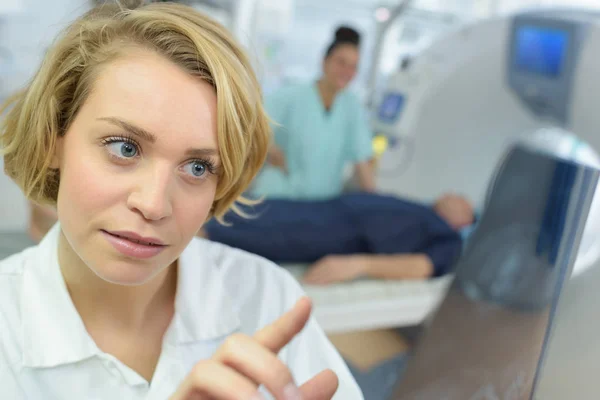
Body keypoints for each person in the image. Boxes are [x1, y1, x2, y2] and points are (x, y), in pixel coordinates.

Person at [0, 3, 363, 399]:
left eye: (197, 168)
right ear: (55, 139)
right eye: (124, 147)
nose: (154, 204)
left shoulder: (266, 297)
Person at [201, 193, 475, 285]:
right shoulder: (425, 211)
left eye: (460, 198)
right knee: (256, 207)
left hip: (340, 232)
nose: (451, 193)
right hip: (331, 209)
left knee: (255, 229)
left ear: (465, 219)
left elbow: (422, 267)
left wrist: (357, 265)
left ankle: (191, 236)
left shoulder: (450, 239)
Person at [252, 26, 376, 200]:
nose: (347, 72)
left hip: (323, 203)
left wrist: (376, 204)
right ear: (325, 61)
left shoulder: (352, 107)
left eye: (353, 67)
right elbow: (251, 126)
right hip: (279, 196)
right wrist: (270, 149)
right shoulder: (291, 95)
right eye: (341, 62)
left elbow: (363, 159)